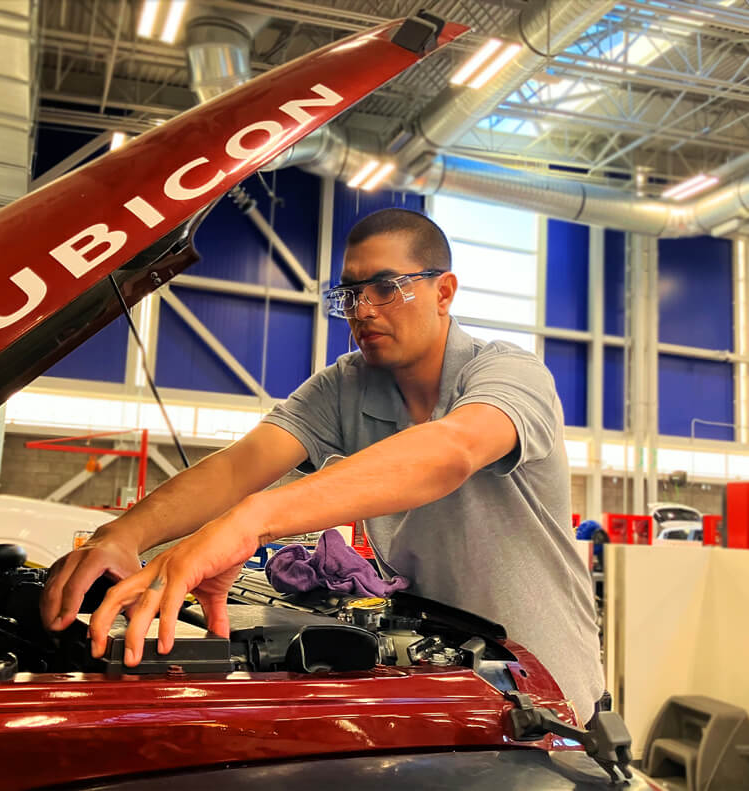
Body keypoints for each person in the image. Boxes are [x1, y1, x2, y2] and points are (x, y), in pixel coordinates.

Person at [40, 208, 604, 723]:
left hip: (547, 690)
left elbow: (451, 451)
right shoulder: (346, 384)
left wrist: (247, 522)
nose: (362, 311)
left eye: (386, 288)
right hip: (447, 681)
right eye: (351, 293)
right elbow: (239, 468)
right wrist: (123, 535)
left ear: (444, 291)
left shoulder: (508, 372)